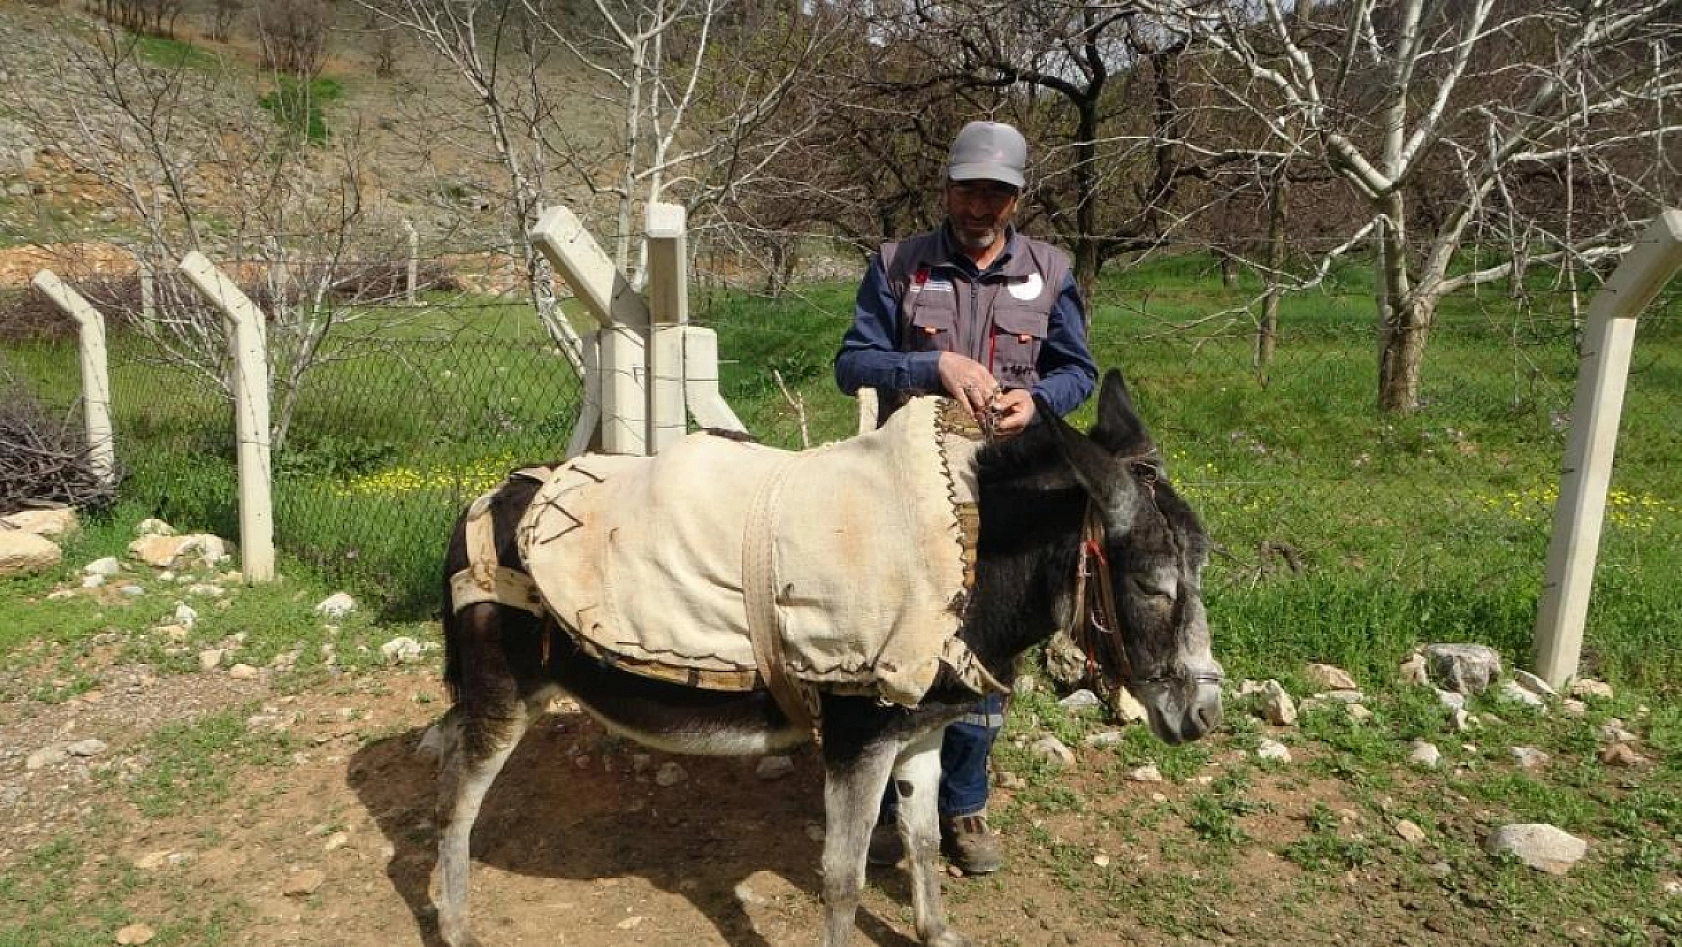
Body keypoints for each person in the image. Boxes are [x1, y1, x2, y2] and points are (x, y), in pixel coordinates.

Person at [833, 120, 1098, 874]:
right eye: (969, 188)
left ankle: (964, 803)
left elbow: (1079, 369)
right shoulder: (899, 265)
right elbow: (851, 364)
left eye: (997, 193)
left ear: (1016, 198)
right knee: (897, 642)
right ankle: (885, 800)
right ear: (947, 186)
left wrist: (1038, 399)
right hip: (909, 485)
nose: (981, 205)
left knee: (990, 653)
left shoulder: (1050, 270)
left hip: (1008, 490)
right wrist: (934, 365)